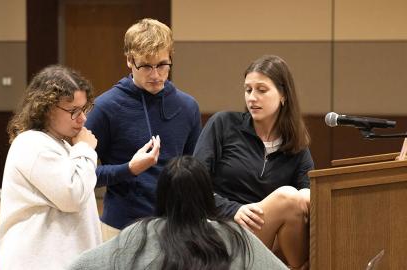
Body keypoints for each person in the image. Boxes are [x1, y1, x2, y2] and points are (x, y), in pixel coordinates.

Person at [85, 18, 201, 239]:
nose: (156, 75)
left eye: (162, 65)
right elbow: (81, 176)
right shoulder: (106, 107)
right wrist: (129, 168)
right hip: (121, 228)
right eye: (146, 66)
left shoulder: (188, 107)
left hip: (175, 228)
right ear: (130, 60)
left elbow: (195, 171)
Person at [193, 55, 313, 269]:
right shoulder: (223, 124)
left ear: (284, 95)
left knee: (299, 201)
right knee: (287, 197)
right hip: (222, 229)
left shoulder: (297, 146)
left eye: (261, 90)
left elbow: (309, 197)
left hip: (268, 238)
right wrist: (233, 209)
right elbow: (193, 186)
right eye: (248, 90)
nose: (252, 98)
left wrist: (307, 197)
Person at [69, 156, 288, 270]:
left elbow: (80, 266)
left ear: (163, 194)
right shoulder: (234, 235)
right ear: (206, 194)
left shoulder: (141, 232)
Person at [0, 65, 102, 269]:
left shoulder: (60, 143)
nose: (82, 118)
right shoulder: (32, 144)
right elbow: (73, 195)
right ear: (47, 108)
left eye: (84, 109)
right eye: (73, 111)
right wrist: (86, 149)